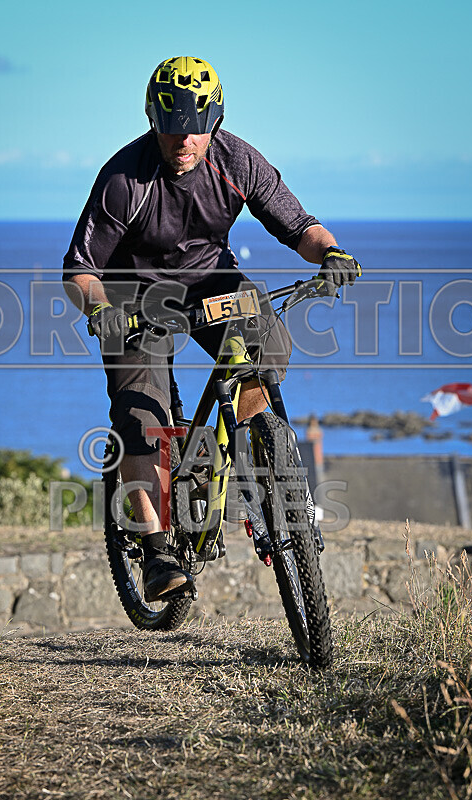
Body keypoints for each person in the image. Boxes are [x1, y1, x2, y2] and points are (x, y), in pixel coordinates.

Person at [63, 56, 361, 602]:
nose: (184, 142)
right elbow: (79, 269)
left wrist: (332, 254)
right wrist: (98, 307)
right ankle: (156, 550)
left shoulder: (237, 160)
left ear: (214, 124)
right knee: (142, 416)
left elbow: (298, 226)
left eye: (196, 130)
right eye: (173, 129)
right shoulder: (123, 178)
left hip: (211, 282)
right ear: (153, 120)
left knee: (268, 344)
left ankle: (253, 455)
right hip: (132, 298)